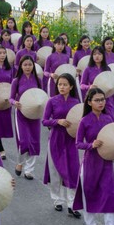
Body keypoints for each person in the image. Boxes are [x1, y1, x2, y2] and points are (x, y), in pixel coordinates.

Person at [73, 88, 114, 225]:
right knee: (89, 193)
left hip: (106, 163)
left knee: (110, 194)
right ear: (89, 102)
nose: (101, 102)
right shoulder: (84, 121)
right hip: (90, 162)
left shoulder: (109, 118)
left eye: (103, 99)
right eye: (97, 100)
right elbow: (78, 143)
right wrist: (91, 145)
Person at [42, 73, 81, 216]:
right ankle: (57, 200)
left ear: (71, 86)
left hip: (71, 139)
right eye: (59, 84)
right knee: (55, 170)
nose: (62, 87)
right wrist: (57, 121)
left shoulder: (76, 102)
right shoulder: (52, 101)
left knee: (72, 170)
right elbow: (45, 121)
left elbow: (81, 121)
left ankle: (72, 204)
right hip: (56, 139)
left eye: (65, 84)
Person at [10, 56, 43, 180]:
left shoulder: (38, 80)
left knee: (34, 141)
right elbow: (11, 98)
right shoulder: (16, 81)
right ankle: (20, 162)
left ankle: (29, 170)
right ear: (21, 66)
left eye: (30, 64)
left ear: (33, 66)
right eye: (25, 65)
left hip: (35, 114)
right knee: (24, 141)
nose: (28, 67)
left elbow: (42, 95)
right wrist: (15, 103)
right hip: (21, 113)